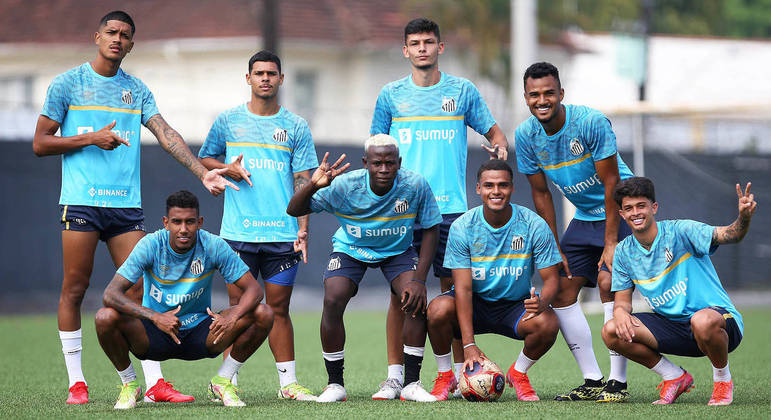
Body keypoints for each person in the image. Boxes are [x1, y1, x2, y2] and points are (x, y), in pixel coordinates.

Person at [32, 10, 239, 405]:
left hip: (125, 207)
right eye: (111, 32)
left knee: (143, 290)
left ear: (131, 43)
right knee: (74, 288)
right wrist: (91, 138)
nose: (117, 39)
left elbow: (165, 133)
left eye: (125, 35)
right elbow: (41, 143)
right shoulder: (67, 84)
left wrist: (202, 173)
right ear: (97, 36)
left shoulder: (137, 89)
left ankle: (154, 383)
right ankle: (77, 382)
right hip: (81, 202)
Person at [369, 17, 509, 400]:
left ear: (440, 47)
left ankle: (458, 375)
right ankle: (396, 377)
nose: (422, 49)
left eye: (428, 42)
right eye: (414, 43)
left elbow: (495, 134)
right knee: (402, 295)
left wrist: (499, 147)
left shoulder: (462, 92)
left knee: (451, 297)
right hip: (402, 211)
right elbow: (375, 150)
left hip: (451, 212)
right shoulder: (390, 95)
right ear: (405, 50)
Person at [198, 50, 318, 401]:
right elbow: (205, 157)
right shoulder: (228, 120)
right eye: (258, 73)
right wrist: (226, 168)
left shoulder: (296, 126)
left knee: (279, 309)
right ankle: (227, 383)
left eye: (271, 73)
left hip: (282, 235)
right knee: (240, 309)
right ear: (247, 78)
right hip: (238, 235)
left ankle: (288, 386)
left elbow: (303, 182)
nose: (265, 78)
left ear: (281, 79)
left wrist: (303, 229)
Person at [286, 134, 442, 403]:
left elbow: (431, 228)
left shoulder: (415, 184)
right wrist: (313, 184)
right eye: (377, 163)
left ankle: (411, 384)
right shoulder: (345, 185)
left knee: (414, 299)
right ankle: (335, 385)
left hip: (397, 250)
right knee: (333, 296)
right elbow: (293, 208)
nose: (383, 169)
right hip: (352, 248)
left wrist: (419, 279)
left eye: (390, 163)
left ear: (399, 162)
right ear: (365, 163)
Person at [514, 61, 635, 401]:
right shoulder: (525, 136)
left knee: (610, 283)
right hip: (584, 217)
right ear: (526, 98)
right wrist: (553, 247)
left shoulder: (590, 123)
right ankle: (592, 379)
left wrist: (611, 243)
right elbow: (541, 194)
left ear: (561, 94)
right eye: (534, 94)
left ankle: (618, 383)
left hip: (622, 211)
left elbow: (613, 184)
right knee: (563, 289)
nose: (542, 100)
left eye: (549, 93)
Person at [94, 190, 274, 409]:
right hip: (153, 334)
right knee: (104, 317)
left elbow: (254, 290)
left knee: (263, 313)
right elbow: (110, 294)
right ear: (166, 223)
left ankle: (223, 380)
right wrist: (155, 317)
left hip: (201, 332)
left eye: (190, 222)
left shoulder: (213, 245)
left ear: (199, 222)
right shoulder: (150, 245)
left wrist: (232, 316)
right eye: (177, 222)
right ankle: (130, 385)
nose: (183, 229)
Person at [602, 177, 755, 406]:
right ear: (622, 214)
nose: (636, 212)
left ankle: (722, 381)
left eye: (641, 205)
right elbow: (622, 303)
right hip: (673, 328)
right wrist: (621, 313)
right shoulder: (623, 252)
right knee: (611, 330)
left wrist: (743, 218)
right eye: (628, 208)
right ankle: (674, 377)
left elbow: (731, 235)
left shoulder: (681, 231)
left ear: (654, 207)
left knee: (701, 320)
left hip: (717, 323)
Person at [425, 160, 561, 401]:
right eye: (489, 185)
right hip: (475, 303)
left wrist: (543, 302)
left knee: (548, 322)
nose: (496, 191)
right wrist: (469, 345)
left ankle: (518, 373)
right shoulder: (462, 227)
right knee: (437, 309)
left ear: (512, 188)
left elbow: (551, 279)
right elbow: (463, 290)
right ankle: (446, 375)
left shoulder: (534, 225)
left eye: (502, 185)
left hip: (514, 307)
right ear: (478, 189)